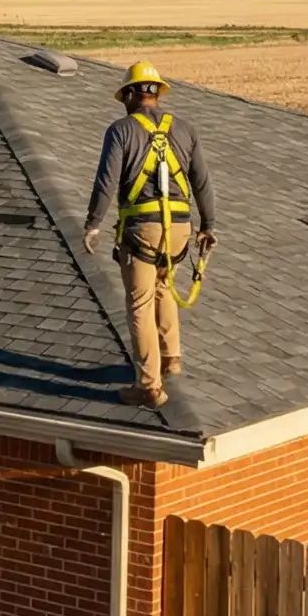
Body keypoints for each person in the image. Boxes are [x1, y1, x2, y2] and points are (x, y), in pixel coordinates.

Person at [82, 62, 218, 408]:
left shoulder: (121, 130)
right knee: (164, 285)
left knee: (139, 303)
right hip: (180, 229)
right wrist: (209, 226)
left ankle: (148, 386)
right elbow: (201, 181)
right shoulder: (185, 129)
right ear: (156, 92)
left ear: (130, 93)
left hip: (142, 228)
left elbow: (107, 181)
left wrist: (93, 222)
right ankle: (171, 358)